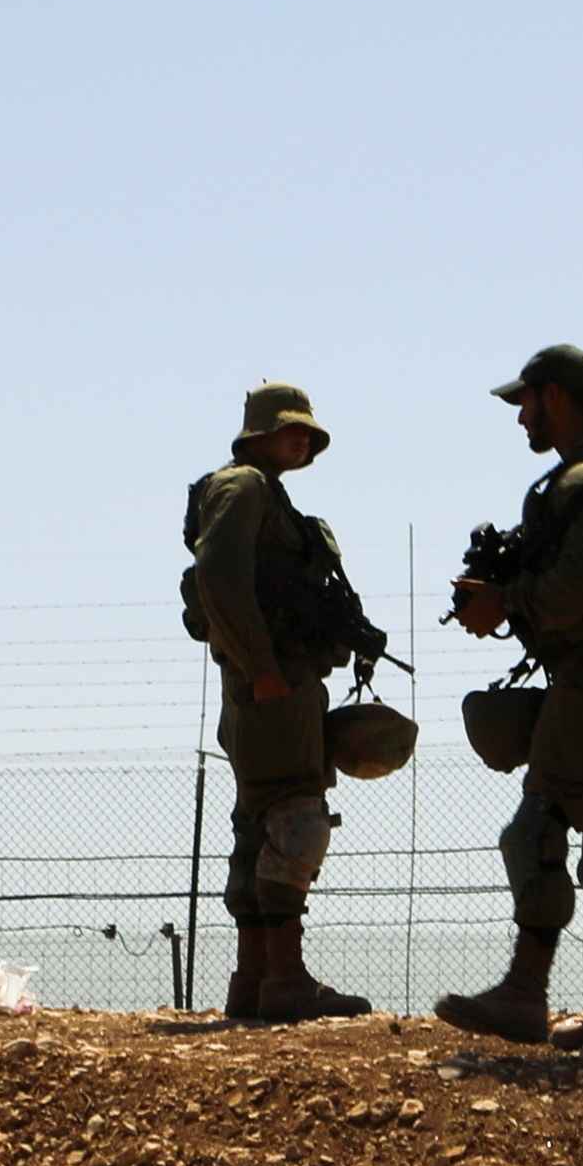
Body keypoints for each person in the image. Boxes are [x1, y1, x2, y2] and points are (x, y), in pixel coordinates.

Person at [433, 344, 583, 1054]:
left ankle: (524, 993)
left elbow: (582, 590)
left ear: (557, 399)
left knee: (536, 829)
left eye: (527, 403)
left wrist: (509, 601)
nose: (521, 419)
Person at [182, 380, 385, 1023]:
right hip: (273, 686)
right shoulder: (243, 488)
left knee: (260, 821)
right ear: (260, 433)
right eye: (292, 428)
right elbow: (219, 578)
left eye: (309, 432)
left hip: (274, 682)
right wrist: (264, 668)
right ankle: (287, 978)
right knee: (296, 814)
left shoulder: (267, 496)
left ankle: (255, 980)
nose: (304, 439)